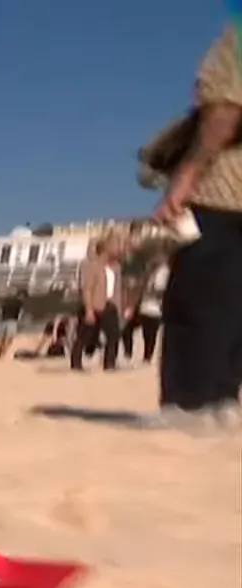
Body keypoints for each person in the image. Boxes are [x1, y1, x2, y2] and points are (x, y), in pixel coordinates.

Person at [150, 19, 242, 423]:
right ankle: (223, 402)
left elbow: (225, 108)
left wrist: (187, 175)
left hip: (224, 193)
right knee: (235, 311)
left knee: (201, 301)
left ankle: (189, 408)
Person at [71, 237, 123, 372]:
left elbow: (116, 289)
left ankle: (109, 364)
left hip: (109, 305)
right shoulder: (93, 266)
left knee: (113, 335)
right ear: (105, 250)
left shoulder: (115, 267)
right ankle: (76, 364)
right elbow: (87, 289)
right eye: (114, 246)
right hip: (94, 305)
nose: (117, 249)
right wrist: (89, 310)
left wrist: (118, 307)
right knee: (84, 335)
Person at [123, 261, 167, 364]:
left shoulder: (164, 273)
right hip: (143, 307)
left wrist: (152, 292)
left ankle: (147, 358)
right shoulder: (147, 275)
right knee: (127, 328)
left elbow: (163, 291)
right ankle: (128, 352)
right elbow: (140, 289)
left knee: (149, 335)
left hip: (155, 309)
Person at [0, 288, 28, 360]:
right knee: (10, 338)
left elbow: (0, 310)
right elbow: (20, 313)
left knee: (2, 338)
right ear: (22, 296)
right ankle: (3, 354)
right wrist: (19, 322)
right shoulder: (19, 302)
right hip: (12, 321)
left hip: (4, 320)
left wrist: (1, 317)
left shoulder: (7, 300)